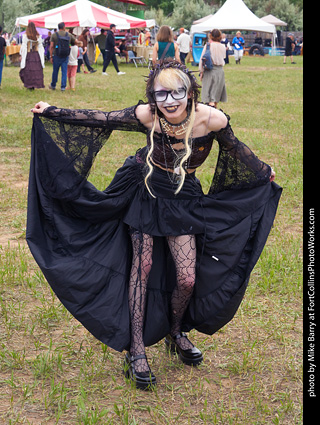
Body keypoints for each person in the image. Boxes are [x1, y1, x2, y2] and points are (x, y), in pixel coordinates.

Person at [30, 58, 280, 391]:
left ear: (191, 92)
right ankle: (136, 349)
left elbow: (235, 151)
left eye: (178, 91)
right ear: (153, 96)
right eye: (162, 94)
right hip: (145, 189)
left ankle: (175, 331)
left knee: (187, 278)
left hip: (183, 197)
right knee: (142, 266)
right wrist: (52, 111)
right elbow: (100, 119)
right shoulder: (148, 115)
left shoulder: (212, 119)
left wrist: (263, 172)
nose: (171, 100)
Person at [199, 29, 227, 108]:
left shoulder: (208, 45)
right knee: (215, 94)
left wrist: (201, 72)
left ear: (211, 36)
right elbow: (223, 57)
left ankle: (210, 112)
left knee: (208, 94)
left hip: (209, 71)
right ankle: (214, 111)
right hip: (219, 71)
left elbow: (202, 59)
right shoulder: (223, 46)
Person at [49, 22, 76, 91]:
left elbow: (51, 46)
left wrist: (51, 56)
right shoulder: (69, 35)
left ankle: (53, 85)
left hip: (56, 55)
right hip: (65, 56)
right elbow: (75, 42)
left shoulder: (54, 35)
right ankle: (63, 87)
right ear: (64, 27)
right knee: (64, 71)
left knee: (55, 71)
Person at [19, 22, 45, 90]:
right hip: (36, 55)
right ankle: (33, 85)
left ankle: (29, 85)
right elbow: (40, 46)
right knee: (35, 70)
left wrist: (21, 55)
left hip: (28, 55)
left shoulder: (25, 36)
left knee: (28, 70)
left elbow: (24, 46)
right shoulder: (38, 36)